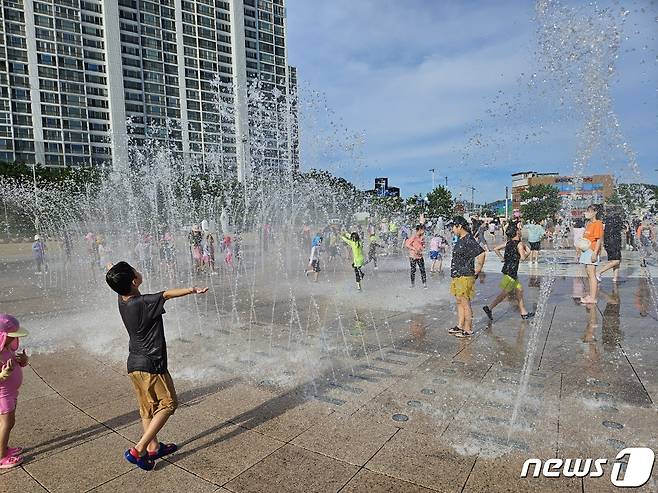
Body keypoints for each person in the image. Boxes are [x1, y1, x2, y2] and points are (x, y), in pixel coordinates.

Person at [105, 262, 208, 471]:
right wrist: (192, 290)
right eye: (135, 271)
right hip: (152, 364)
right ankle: (139, 449)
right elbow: (167, 295)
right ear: (134, 281)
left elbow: (124, 284)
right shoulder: (144, 302)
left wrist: (112, 269)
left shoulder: (123, 299)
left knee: (148, 407)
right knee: (169, 403)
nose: (139, 271)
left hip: (133, 364)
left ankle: (153, 447)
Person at [483, 226, 535, 321]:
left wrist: (502, 258)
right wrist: (528, 252)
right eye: (519, 230)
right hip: (511, 272)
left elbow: (495, 249)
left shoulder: (508, 243)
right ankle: (489, 308)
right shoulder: (519, 244)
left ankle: (524, 312)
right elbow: (523, 258)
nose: (520, 231)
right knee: (504, 293)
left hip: (508, 270)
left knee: (519, 290)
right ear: (516, 233)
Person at [448, 216, 486, 338]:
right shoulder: (461, 238)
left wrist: (478, 269)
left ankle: (468, 329)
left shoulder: (468, 239)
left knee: (465, 302)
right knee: (459, 301)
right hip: (458, 274)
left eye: (453, 227)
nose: (452, 229)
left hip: (465, 275)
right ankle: (460, 326)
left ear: (459, 226)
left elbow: (481, 253)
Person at [0, 314, 29, 469]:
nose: (15, 339)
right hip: (2, 395)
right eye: (12, 336)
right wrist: (4, 374)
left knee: (6, 423)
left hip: (11, 393)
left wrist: (23, 362)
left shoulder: (6, 348)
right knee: (7, 423)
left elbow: (14, 364)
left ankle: (3, 447)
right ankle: (2, 457)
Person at [579, 204, 604, 304]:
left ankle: (593, 298)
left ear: (595, 212)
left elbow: (598, 240)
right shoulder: (589, 224)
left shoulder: (598, 223)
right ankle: (591, 295)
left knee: (592, 274)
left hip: (592, 251)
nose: (586, 213)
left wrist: (595, 253)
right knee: (589, 274)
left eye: (589, 211)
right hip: (586, 251)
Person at [597, 208, 623, 282]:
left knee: (618, 260)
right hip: (613, 242)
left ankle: (615, 278)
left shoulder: (607, 221)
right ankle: (599, 272)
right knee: (616, 261)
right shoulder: (616, 220)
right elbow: (623, 229)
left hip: (611, 242)